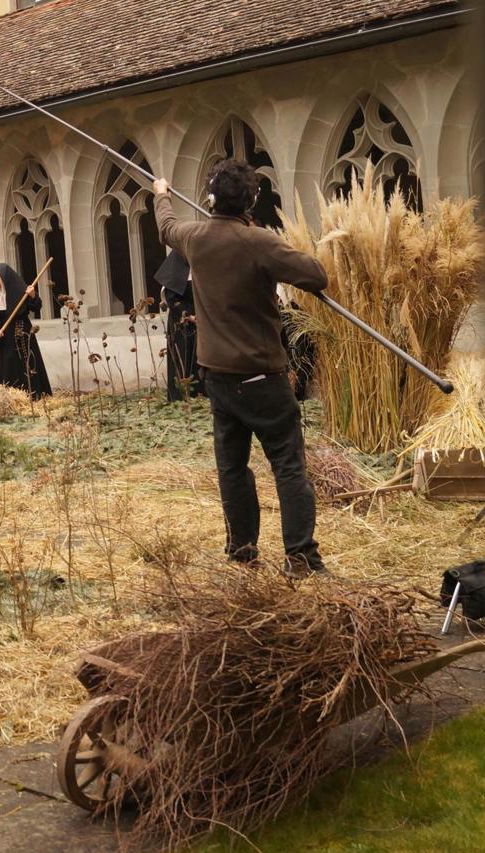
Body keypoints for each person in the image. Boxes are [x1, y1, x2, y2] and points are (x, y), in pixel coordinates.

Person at [153, 159, 331, 578]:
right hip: (262, 378)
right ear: (250, 201)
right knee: (288, 466)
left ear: (210, 199)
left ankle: (241, 552)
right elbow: (316, 276)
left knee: (232, 467)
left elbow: (166, 227)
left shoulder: (194, 237)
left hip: (216, 376)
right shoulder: (259, 242)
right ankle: (301, 558)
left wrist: (161, 195)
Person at [0, 263, 52, 398]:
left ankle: (32, 397)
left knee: (26, 366)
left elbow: (36, 307)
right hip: (3, 340)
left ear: (5, 280)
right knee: (7, 369)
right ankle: (10, 399)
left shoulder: (21, 292)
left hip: (22, 336)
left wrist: (33, 296)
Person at [154, 250, 202, 402]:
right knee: (183, 359)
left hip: (203, 322)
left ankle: (202, 396)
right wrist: (189, 316)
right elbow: (172, 299)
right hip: (181, 324)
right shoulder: (176, 268)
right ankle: (182, 397)